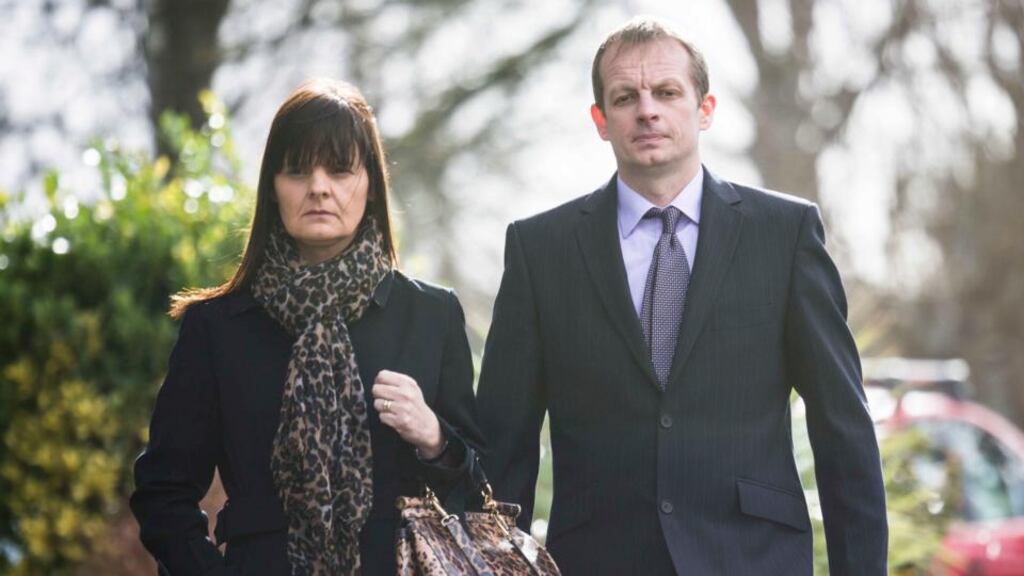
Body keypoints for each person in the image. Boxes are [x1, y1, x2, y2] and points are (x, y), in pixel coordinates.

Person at [476, 16, 888, 576]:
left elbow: (843, 428)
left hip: (752, 557)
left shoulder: (784, 234)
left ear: (705, 109)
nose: (647, 110)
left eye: (667, 92)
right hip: (595, 560)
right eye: (625, 97)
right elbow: (506, 442)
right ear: (601, 120)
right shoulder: (539, 249)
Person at [131, 78, 484, 576]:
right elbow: (163, 493)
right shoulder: (218, 328)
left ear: (371, 186)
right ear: (273, 188)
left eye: (340, 169)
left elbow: (477, 492)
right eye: (297, 170)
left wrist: (434, 439)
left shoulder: (430, 315)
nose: (319, 187)